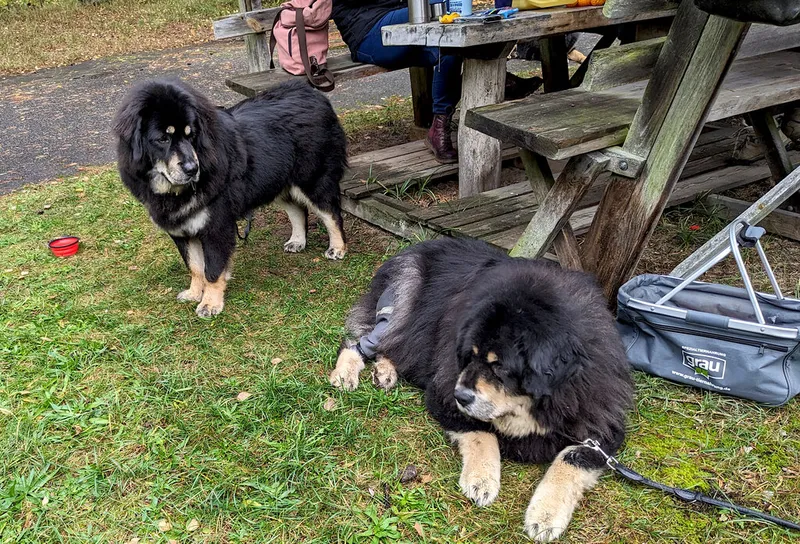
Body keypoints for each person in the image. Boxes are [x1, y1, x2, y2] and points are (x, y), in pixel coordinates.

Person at [332, 0, 462, 164]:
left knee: (451, 46)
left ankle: (439, 127)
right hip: (368, 30)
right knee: (445, 8)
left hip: (406, 22)